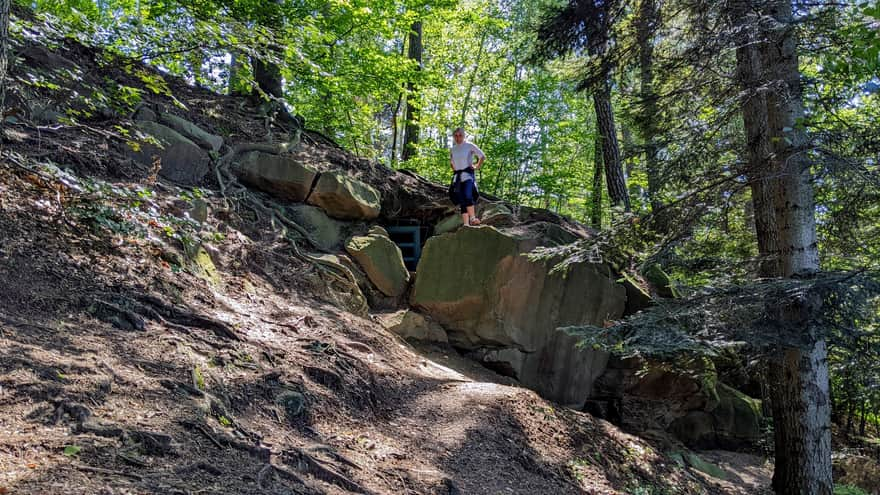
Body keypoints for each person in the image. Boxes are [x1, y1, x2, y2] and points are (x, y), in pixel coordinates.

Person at [449, 127, 486, 226]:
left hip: (467, 176)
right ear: (453, 137)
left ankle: (473, 218)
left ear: (464, 136)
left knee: (468, 195)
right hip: (457, 178)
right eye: (455, 136)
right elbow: (452, 162)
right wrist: (455, 169)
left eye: (460, 135)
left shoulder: (469, 146)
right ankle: (466, 224)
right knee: (462, 201)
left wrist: (477, 166)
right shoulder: (453, 149)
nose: (458, 138)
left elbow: (482, 156)